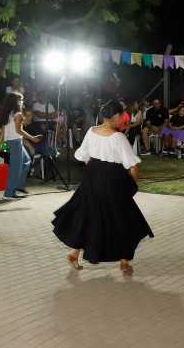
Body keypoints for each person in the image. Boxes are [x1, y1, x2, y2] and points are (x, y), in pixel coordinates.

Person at [52, 100, 152, 274]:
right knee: (123, 219)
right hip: (112, 179)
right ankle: (123, 262)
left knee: (88, 215)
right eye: (122, 116)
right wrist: (131, 185)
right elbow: (133, 166)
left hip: (92, 176)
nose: (123, 119)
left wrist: (93, 165)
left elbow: (82, 155)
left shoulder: (91, 131)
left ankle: (74, 254)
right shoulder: (118, 137)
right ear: (116, 116)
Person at [0, 92, 39, 199]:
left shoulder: (8, 113)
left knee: (26, 161)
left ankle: (19, 186)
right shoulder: (17, 114)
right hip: (15, 142)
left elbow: (3, 131)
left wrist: (0, 145)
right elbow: (18, 131)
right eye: (20, 100)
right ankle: (9, 194)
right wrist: (32, 138)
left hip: (13, 142)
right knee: (15, 169)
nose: (22, 102)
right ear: (16, 101)